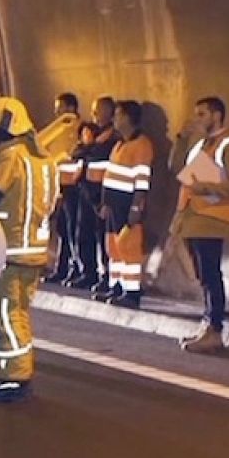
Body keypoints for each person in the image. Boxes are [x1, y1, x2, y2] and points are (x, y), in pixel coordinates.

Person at [0, 96, 58, 403]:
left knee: (5, 315)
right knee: (18, 312)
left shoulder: (11, 157)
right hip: (34, 250)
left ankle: (15, 378)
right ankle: (16, 373)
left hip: (9, 250)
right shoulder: (44, 160)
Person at [170, 96, 229, 353]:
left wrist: (202, 186)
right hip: (193, 217)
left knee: (210, 273)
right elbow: (175, 167)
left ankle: (214, 329)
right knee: (203, 275)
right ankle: (208, 324)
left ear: (216, 116)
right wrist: (182, 138)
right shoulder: (201, 145)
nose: (197, 119)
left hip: (211, 217)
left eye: (202, 114)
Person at [96, 100, 153, 309]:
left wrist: (136, 208)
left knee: (128, 248)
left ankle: (132, 292)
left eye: (118, 115)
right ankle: (117, 286)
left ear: (129, 118)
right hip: (113, 206)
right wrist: (104, 203)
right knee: (114, 247)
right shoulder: (120, 144)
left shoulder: (142, 145)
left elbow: (142, 181)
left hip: (127, 205)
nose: (114, 119)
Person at [71, 97, 119, 290]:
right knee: (82, 233)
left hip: (102, 192)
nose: (95, 114)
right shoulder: (91, 130)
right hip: (86, 189)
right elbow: (76, 152)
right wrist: (90, 145)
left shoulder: (115, 136)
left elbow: (97, 154)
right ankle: (88, 272)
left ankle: (107, 275)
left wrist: (90, 147)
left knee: (103, 237)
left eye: (98, 110)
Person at [37, 94, 84, 283]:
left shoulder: (78, 129)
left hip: (73, 186)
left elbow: (71, 157)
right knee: (62, 229)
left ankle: (74, 268)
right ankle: (62, 268)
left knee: (73, 230)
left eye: (60, 108)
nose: (56, 112)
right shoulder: (57, 130)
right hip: (58, 185)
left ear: (71, 108)